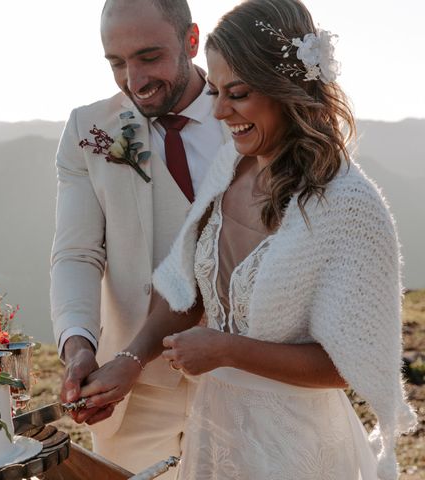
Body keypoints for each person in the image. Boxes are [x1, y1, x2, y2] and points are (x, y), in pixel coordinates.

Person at [79, 0, 417, 478]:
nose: (218, 112)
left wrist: (225, 350)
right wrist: (129, 361)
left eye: (236, 93)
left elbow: (346, 365)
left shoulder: (350, 206)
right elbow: (185, 291)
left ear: (288, 89)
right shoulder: (231, 168)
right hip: (215, 435)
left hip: (297, 448)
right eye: (215, 90)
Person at [50, 0, 229, 474]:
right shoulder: (88, 131)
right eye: (116, 63)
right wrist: (78, 344)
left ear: (191, 41)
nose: (134, 81)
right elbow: (77, 253)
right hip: (132, 392)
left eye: (149, 57)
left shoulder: (248, 114)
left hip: (244, 373)